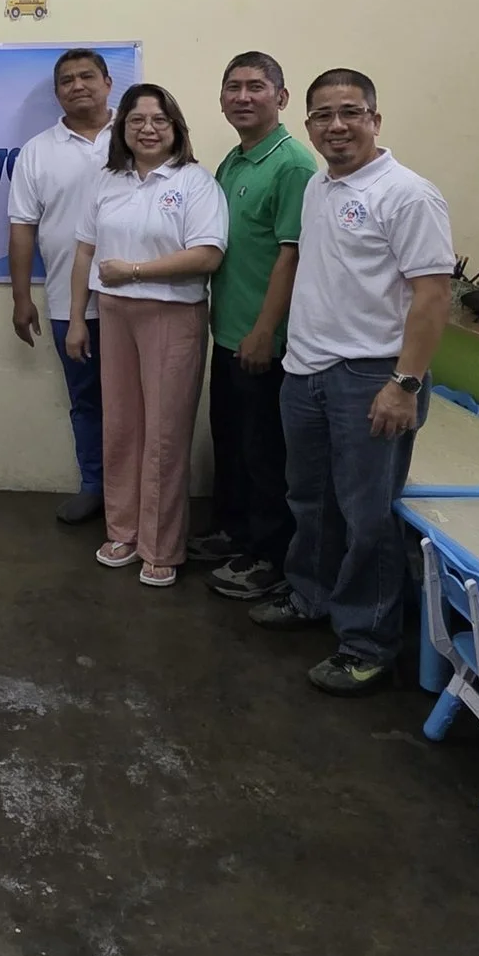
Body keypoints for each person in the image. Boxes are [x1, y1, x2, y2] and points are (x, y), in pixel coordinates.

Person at [247, 69, 455, 696]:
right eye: (323, 116)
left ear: (375, 119)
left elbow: (433, 295)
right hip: (306, 370)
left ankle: (367, 642)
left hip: (371, 375)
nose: (336, 126)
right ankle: (311, 595)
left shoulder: (409, 194)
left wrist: (405, 384)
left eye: (351, 112)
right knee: (308, 499)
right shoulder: (317, 186)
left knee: (367, 515)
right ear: (307, 123)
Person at [64, 85, 227, 588]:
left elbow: (207, 255)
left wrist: (135, 271)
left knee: (163, 433)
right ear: (123, 129)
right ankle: (123, 531)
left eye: (159, 120)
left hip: (172, 315)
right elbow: (86, 255)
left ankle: (161, 545)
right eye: (137, 120)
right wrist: (75, 319)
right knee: (122, 427)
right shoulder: (107, 181)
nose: (148, 129)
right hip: (113, 314)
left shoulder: (195, 184)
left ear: (176, 128)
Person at [202, 52, 318, 602]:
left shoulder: (292, 164)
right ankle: (235, 533)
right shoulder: (235, 160)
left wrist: (264, 331)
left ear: (281, 97)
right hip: (225, 333)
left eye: (255, 86)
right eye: (233, 87)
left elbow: (290, 256)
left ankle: (269, 558)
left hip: (262, 341)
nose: (242, 96)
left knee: (266, 454)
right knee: (232, 444)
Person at [8, 49, 116, 524]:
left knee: (139, 402)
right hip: (65, 305)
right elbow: (22, 226)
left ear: (109, 82)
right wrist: (19, 297)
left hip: (137, 299)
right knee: (87, 401)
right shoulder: (37, 151)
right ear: (57, 93)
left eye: (87, 76)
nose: (77, 86)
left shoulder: (139, 135)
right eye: (67, 80)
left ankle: (138, 494)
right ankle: (95, 486)